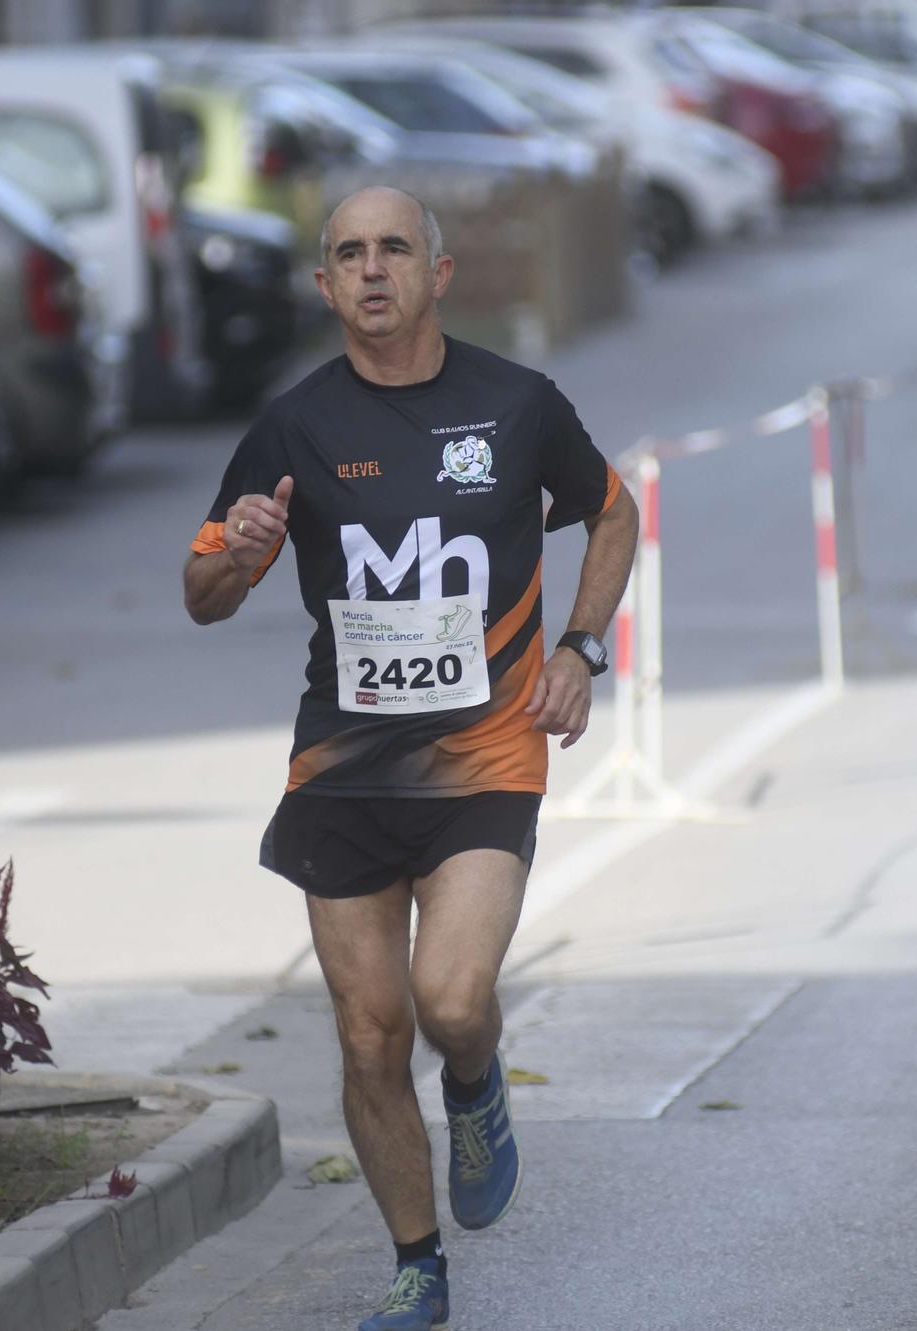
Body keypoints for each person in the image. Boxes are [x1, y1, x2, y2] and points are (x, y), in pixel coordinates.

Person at [182, 185, 638, 1330]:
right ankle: (414, 1262)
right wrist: (235, 554)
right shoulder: (289, 426)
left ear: (438, 272)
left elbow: (612, 509)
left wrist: (581, 646)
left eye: (394, 248)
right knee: (368, 1028)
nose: (372, 269)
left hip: (485, 751)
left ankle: (477, 1082)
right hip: (340, 761)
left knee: (447, 998)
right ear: (324, 286)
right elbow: (201, 595)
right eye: (348, 253)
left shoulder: (515, 402)